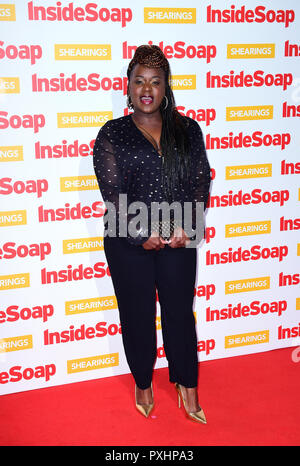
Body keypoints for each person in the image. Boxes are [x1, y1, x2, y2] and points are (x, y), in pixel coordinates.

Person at [93, 45, 211, 423]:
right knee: (138, 314)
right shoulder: (113, 134)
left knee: (179, 313)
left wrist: (186, 228)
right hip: (128, 243)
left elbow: (199, 181)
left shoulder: (187, 129)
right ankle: (143, 382)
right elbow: (112, 195)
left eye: (155, 82)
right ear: (128, 87)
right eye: (139, 81)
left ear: (166, 87)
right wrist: (141, 233)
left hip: (178, 237)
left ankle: (187, 385)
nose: (147, 89)